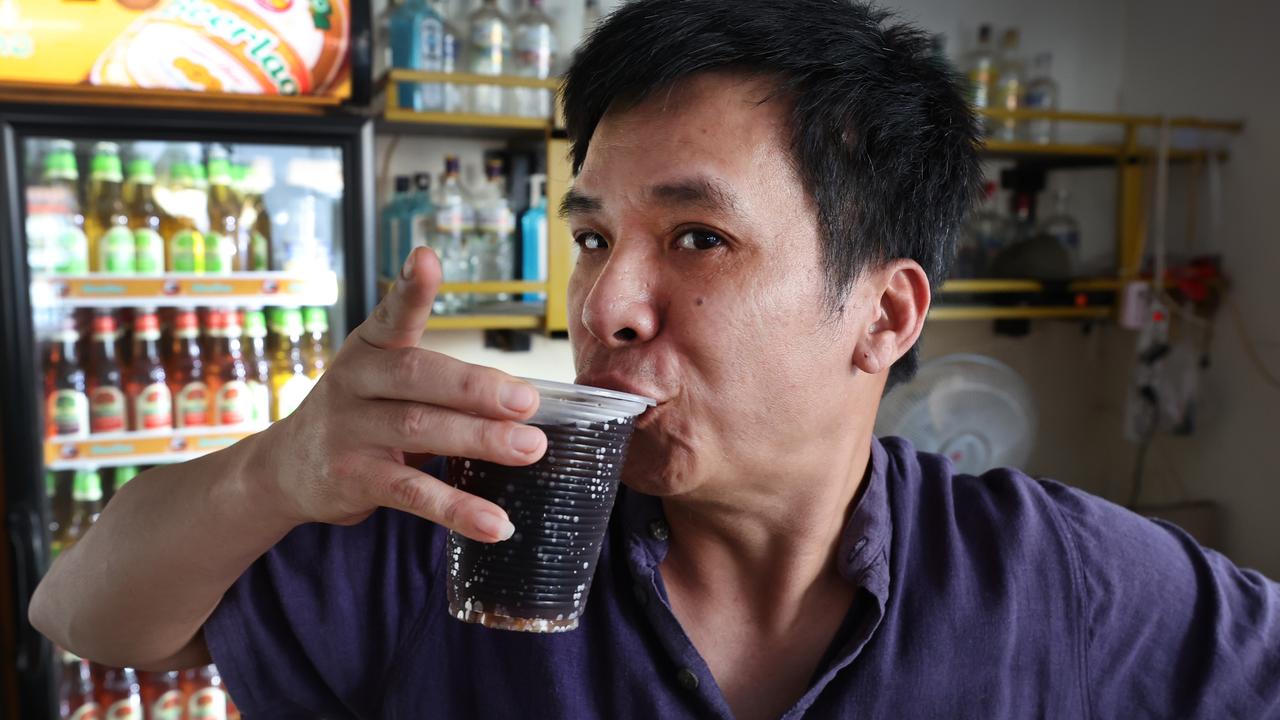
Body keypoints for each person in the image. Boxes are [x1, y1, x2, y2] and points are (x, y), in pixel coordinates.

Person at [31, 0, 1280, 717]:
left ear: (886, 317)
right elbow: (81, 616)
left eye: (697, 237)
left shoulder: (1053, 584)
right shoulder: (459, 528)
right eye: (590, 235)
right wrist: (273, 471)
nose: (606, 304)